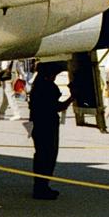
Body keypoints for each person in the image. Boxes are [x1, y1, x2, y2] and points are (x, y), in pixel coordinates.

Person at [27, 60, 65, 201]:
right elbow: (56, 106)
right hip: (46, 124)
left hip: (37, 123)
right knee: (47, 156)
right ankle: (42, 188)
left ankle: (41, 186)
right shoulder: (47, 86)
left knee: (41, 155)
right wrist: (72, 97)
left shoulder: (38, 84)